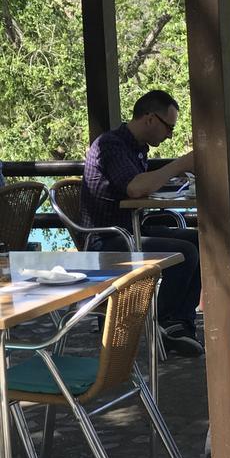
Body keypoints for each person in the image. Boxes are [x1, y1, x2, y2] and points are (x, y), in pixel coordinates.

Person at [81, 90, 203, 356]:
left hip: (131, 229)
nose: (170, 134)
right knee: (186, 252)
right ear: (150, 119)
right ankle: (163, 323)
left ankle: (178, 324)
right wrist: (179, 164)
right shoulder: (111, 145)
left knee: (200, 241)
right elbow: (135, 189)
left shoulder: (135, 148)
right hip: (108, 240)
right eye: (168, 127)